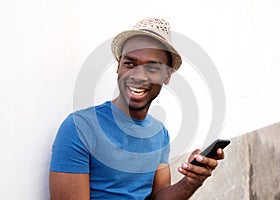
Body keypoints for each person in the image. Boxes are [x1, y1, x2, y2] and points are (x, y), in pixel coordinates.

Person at [49, 18, 225, 200]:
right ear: (119, 66)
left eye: (152, 68)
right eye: (130, 64)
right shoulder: (80, 127)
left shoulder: (159, 133)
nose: (139, 76)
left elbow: (158, 196)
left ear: (167, 75)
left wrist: (191, 182)